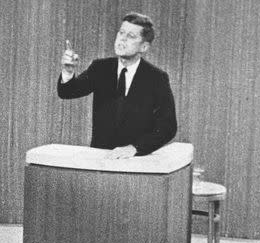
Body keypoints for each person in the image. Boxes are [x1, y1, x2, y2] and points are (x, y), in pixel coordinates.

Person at [58, 12, 177, 159]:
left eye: (131, 36)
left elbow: (168, 127)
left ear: (144, 47)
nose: (122, 39)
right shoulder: (100, 68)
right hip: (100, 159)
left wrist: (135, 148)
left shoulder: (156, 78)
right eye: (121, 33)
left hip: (136, 162)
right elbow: (67, 92)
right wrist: (68, 71)